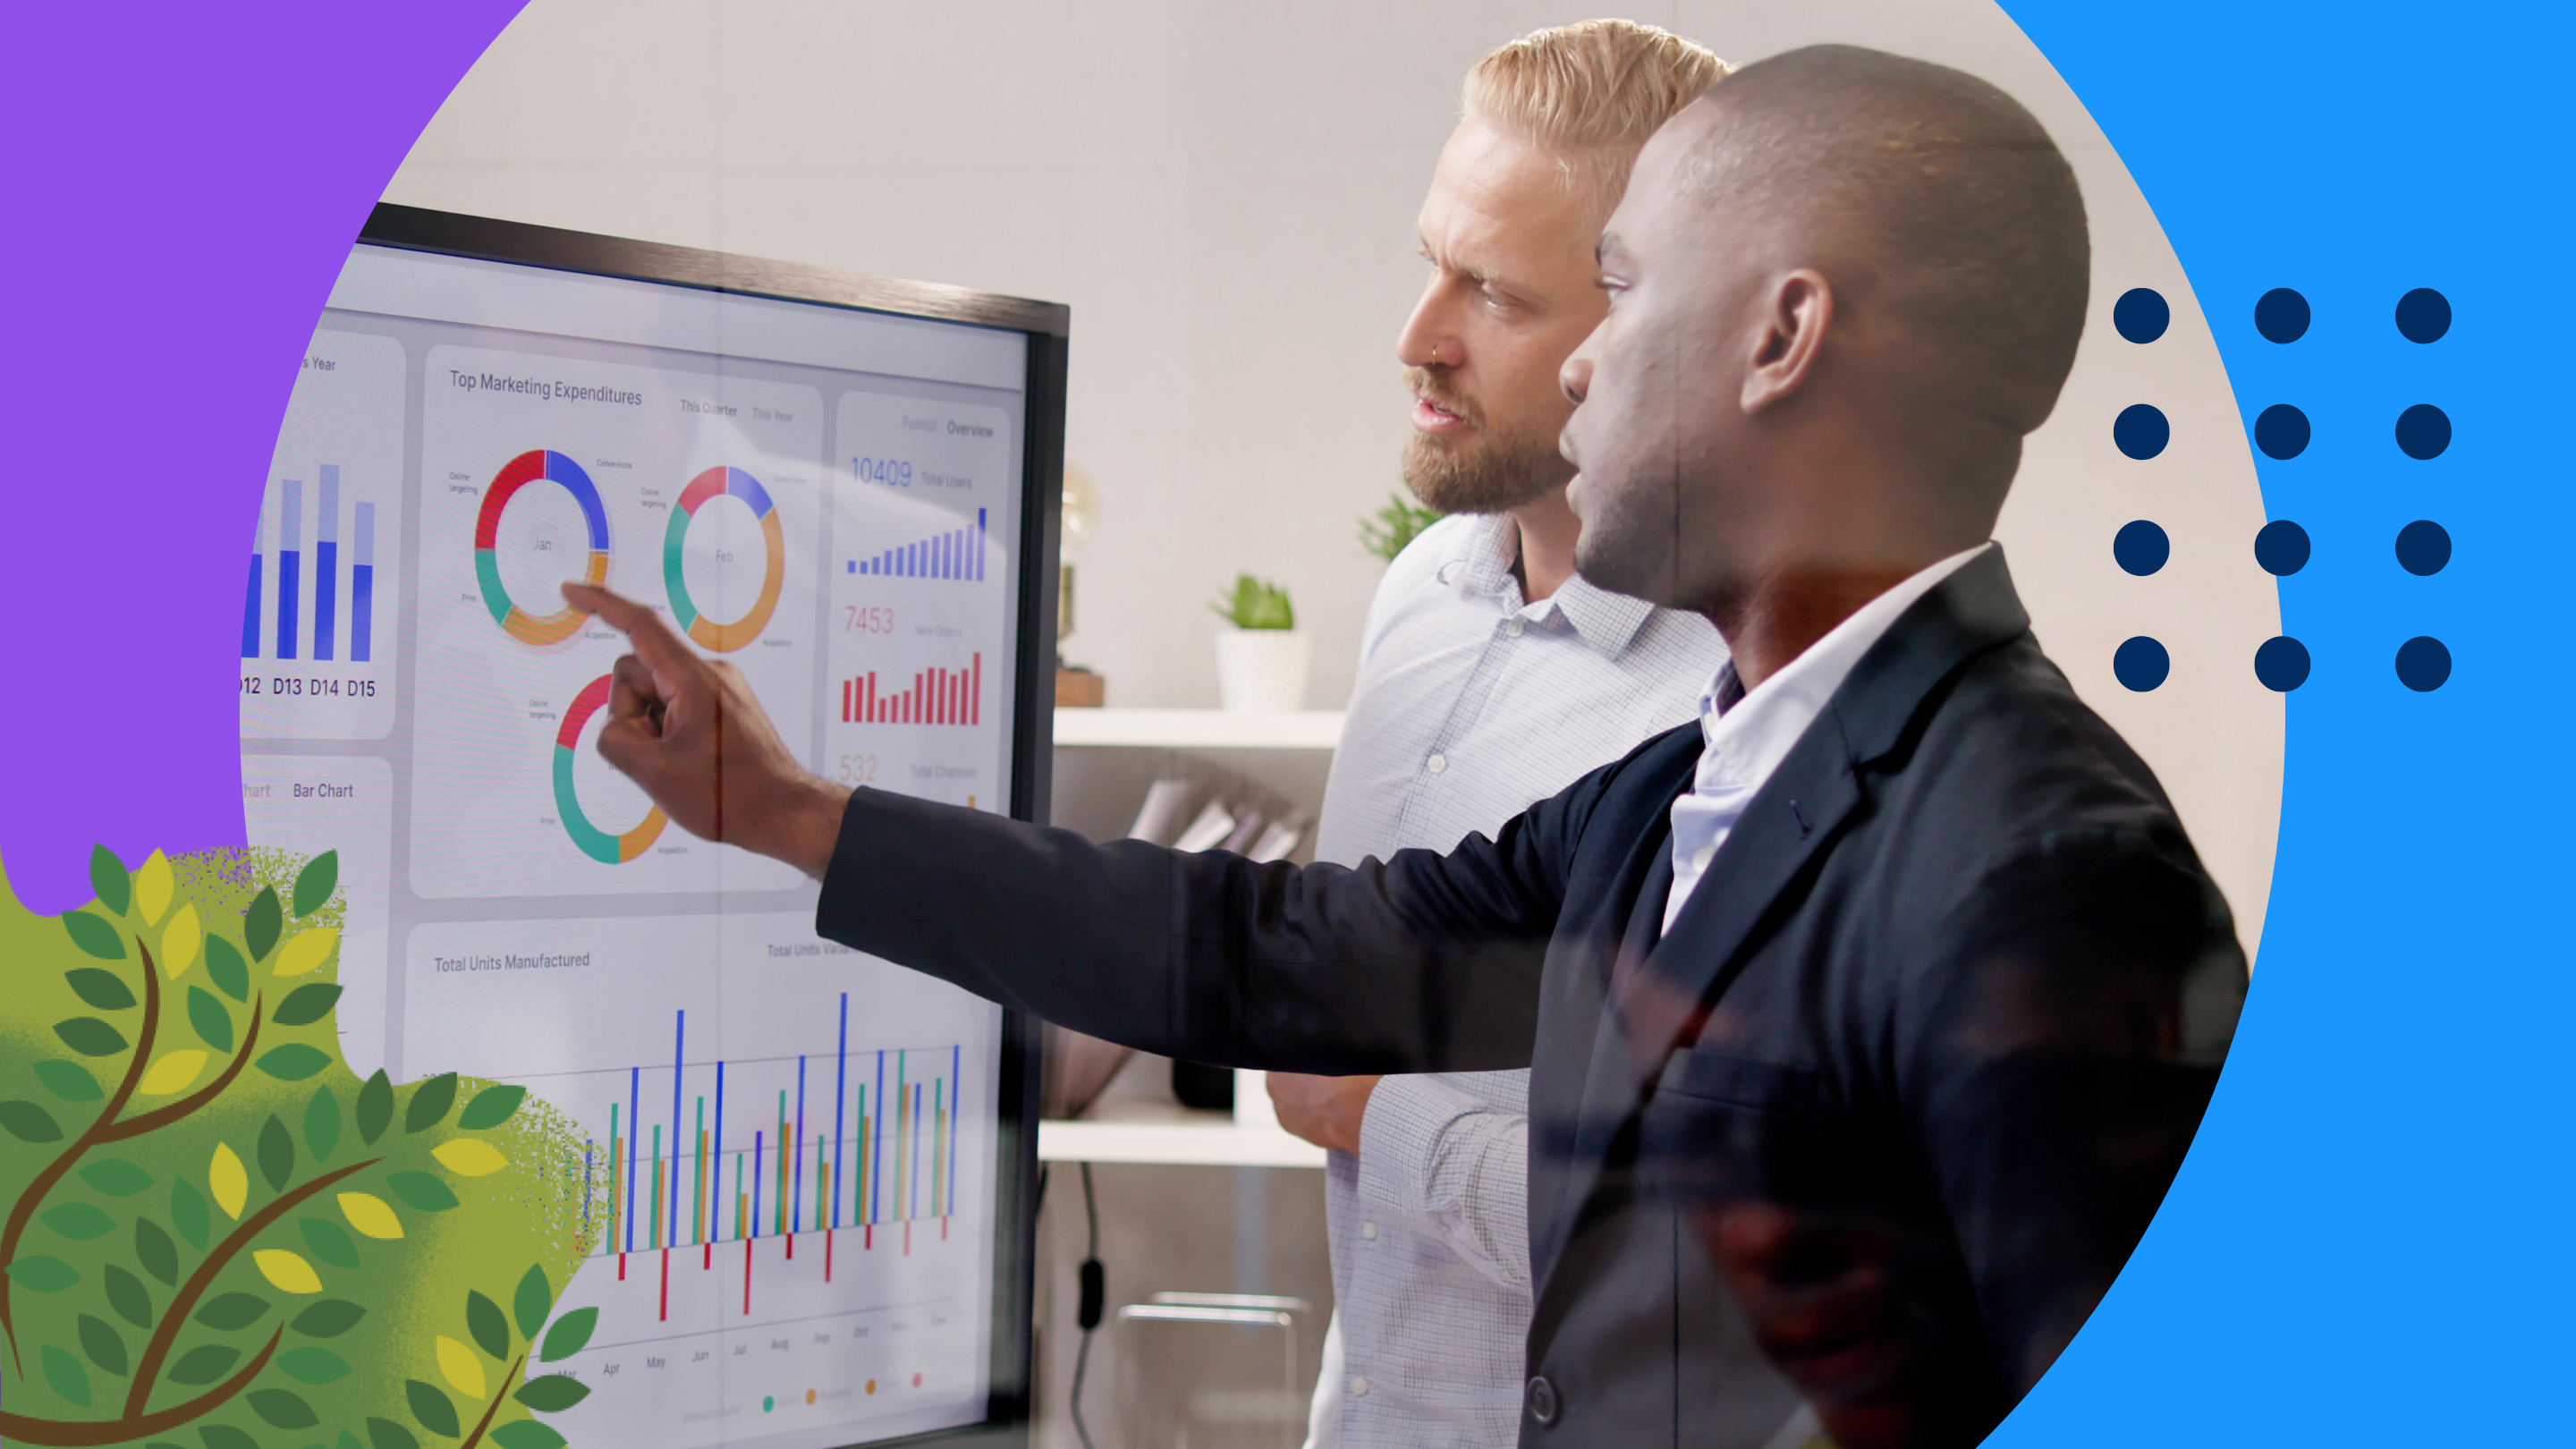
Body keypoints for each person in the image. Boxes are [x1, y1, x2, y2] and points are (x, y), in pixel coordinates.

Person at [566, 43, 2245, 1449]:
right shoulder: (1678, 797)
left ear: (1781, 338)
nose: (1584, 356)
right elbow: (1272, 949)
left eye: (1626, 290)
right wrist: (789, 815)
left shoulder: (2047, 865)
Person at [1258, 22, 1735, 1449]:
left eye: (1493, 294)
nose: (1418, 338)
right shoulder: (1422, 591)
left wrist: (1374, 1120)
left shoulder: (1740, 695)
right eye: (1430, 262)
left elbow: (1724, 1238)